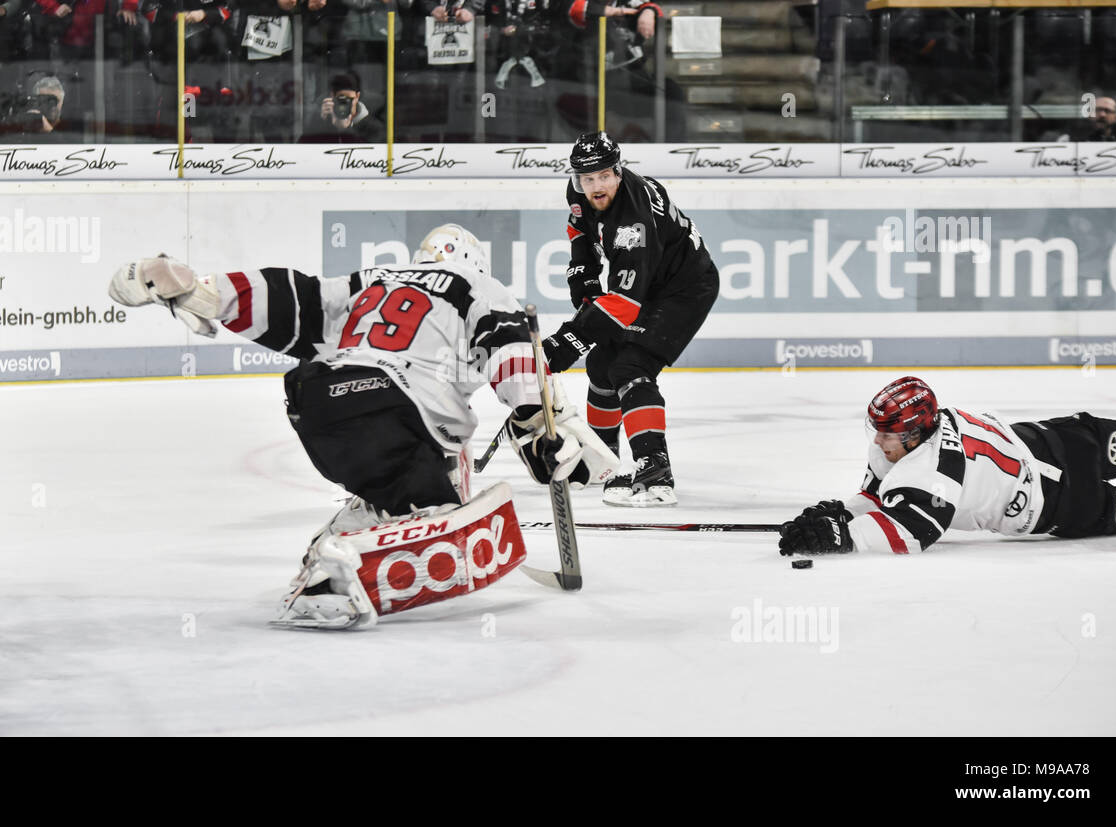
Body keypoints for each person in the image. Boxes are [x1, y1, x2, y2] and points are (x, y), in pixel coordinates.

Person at [108, 224, 617, 629]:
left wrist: (203, 292)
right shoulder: (476, 285)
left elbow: (295, 299)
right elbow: (510, 348)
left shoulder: (373, 279)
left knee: (395, 480)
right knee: (445, 502)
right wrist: (538, 420)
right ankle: (344, 560)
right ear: (474, 263)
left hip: (318, 403)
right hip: (395, 405)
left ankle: (336, 549)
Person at [541, 131, 720, 507]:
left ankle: (654, 464)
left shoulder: (631, 222)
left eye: (604, 176)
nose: (595, 185)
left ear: (618, 172)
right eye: (587, 179)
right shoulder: (579, 193)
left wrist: (564, 344)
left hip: (685, 288)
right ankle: (600, 456)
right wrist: (584, 279)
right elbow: (581, 232)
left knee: (631, 365)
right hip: (648, 282)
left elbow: (624, 303)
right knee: (602, 362)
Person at [778, 376, 1116, 557]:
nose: (877, 441)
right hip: (1064, 481)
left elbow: (914, 531)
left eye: (887, 433)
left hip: (1065, 462)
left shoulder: (933, 474)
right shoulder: (902, 445)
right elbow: (882, 499)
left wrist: (843, 537)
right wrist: (845, 511)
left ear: (915, 433)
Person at [302, 69, 386, 143]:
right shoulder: (319, 120)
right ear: (331, 97)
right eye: (340, 100)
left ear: (357, 96)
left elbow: (379, 147)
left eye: (348, 100)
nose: (343, 106)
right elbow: (304, 147)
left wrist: (353, 125)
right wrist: (322, 122)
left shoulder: (369, 125)